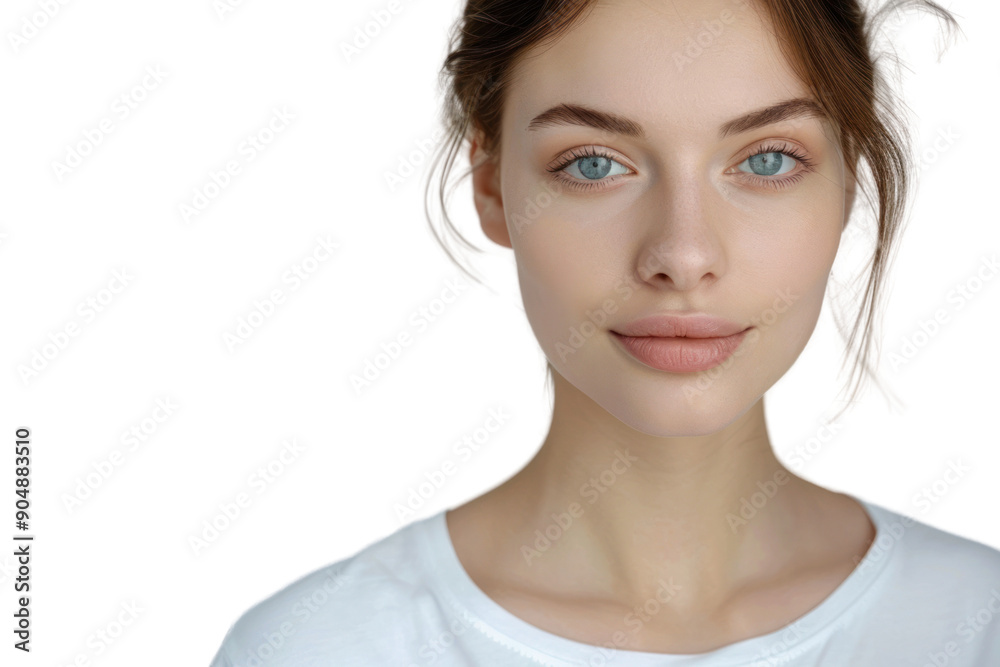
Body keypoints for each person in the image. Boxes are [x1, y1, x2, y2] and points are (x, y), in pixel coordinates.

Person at [209, 0, 1000, 665]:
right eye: (592, 164)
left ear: (849, 177)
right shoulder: (318, 647)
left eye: (765, 160)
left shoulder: (978, 624)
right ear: (491, 184)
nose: (683, 255)